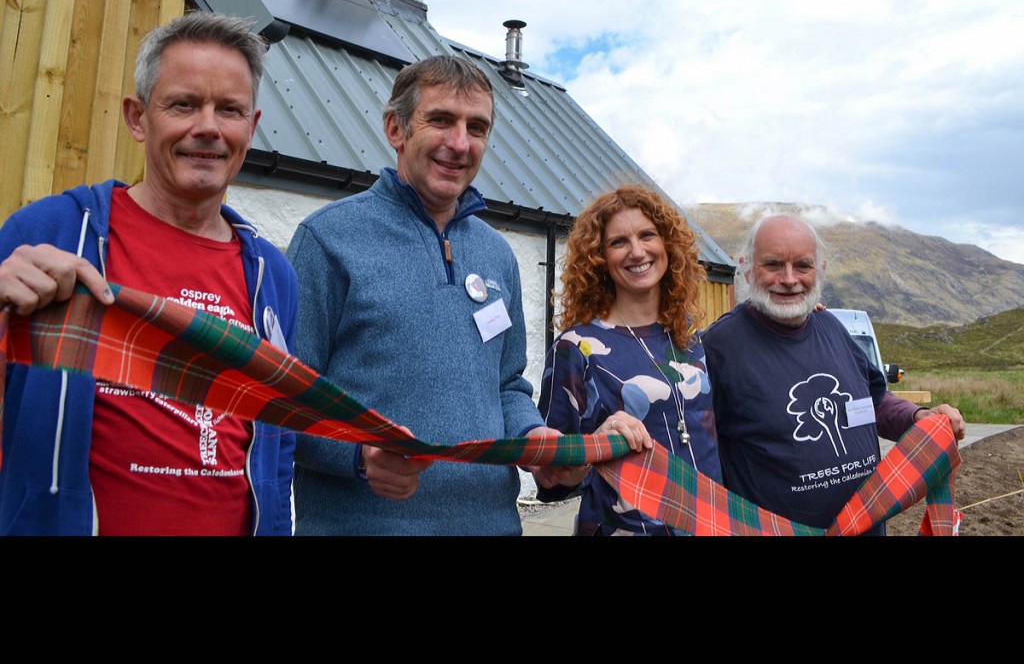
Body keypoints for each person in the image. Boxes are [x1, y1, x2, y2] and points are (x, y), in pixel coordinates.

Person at [0, 11, 298, 536]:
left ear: (250, 129)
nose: (208, 127)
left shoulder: (272, 275)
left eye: (229, 109)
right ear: (138, 118)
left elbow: (277, 436)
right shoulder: (50, 231)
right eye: (184, 104)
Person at [286, 54, 560, 535]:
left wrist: (533, 437)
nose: (460, 143)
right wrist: (358, 455)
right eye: (440, 120)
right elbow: (283, 401)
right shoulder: (327, 240)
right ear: (396, 129)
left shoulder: (497, 254)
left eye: (477, 127)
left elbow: (506, 386)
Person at [703, 213, 966, 534]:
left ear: (821, 269)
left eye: (802, 265)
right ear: (746, 267)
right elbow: (697, 450)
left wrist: (919, 417)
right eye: (773, 265)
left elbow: (875, 401)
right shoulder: (719, 348)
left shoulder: (832, 328)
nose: (789, 279)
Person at [535, 184, 722, 535]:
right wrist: (595, 447)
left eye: (647, 235)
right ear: (599, 257)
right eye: (619, 242)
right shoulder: (577, 348)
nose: (637, 252)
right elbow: (551, 480)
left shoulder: (687, 336)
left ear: (667, 244)